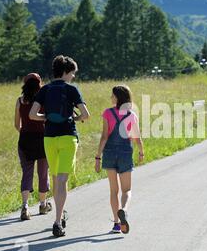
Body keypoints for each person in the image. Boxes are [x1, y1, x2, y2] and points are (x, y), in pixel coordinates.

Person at [29, 56, 90, 237]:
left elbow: (33, 115)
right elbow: (86, 114)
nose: (73, 77)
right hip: (67, 137)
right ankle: (57, 221)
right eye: (72, 73)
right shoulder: (71, 89)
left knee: (56, 179)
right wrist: (75, 118)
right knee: (62, 180)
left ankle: (60, 214)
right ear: (65, 72)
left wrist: (46, 118)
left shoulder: (45, 89)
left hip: (49, 138)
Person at [95, 85, 144, 234]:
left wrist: (98, 157)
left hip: (109, 153)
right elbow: (137, 138)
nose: (110, 98)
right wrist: (141, 152)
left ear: (117, 98)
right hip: (125, 153)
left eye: (112, 95)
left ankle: (116, 223)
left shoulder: (107, 113)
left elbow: (104, 137)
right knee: (127, 190)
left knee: (113, 191)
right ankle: (123, 210)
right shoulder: (132, 115)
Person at [15, 73, 52, 221]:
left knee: (27, 173)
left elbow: (17, 125)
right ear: (40, 84)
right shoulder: (43, 100)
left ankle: (25, 206)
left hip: (25, 140)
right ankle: (43, 204)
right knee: (43, 173)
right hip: (42, 139)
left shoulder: (20, 101)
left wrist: (25, 132)